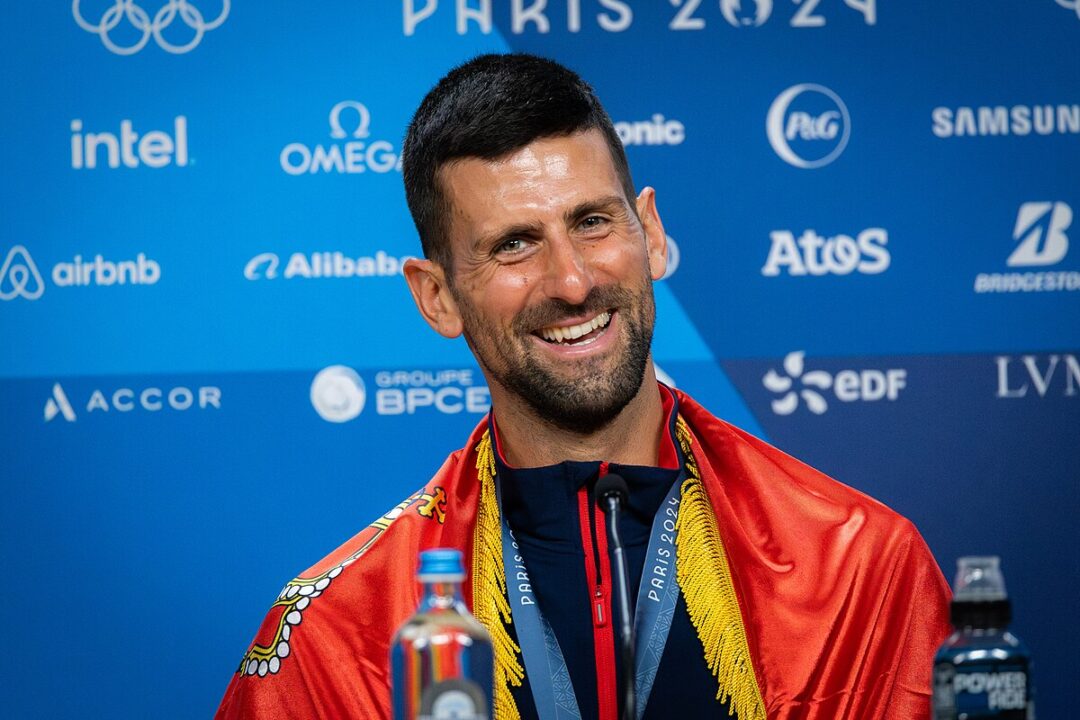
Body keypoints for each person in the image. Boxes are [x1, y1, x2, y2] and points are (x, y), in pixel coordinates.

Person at [216, 53, 951, 720]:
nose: (572, 283)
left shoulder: (858, 566)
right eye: (514, 245)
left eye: (593, 222)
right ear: (436, 296)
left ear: (650, 232)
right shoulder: (345, 630)